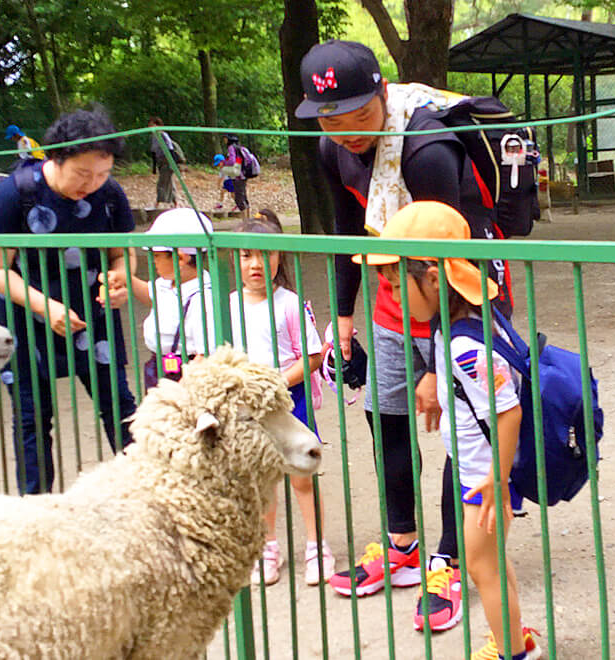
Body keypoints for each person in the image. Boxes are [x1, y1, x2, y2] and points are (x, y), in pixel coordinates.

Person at [295, 39, 515, 632]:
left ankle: (450, 557)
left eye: (358, 117)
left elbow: (445, 262)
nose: (346, 133)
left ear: (383, 95)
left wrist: (432, 364)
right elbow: (348, 230)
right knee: (386, 417)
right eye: (331, 122)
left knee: (459, 429)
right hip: (393, 294)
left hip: (461, 302)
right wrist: (343, 314)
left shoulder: (426, 151)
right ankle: (404, 547)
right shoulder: (331, 147)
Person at [360, 201, 541, 660]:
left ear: (435, 279)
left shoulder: (463, 343)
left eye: (397, 285)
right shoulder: (453, 326)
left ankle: (513, 654)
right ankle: (516, 640)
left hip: (485, 475)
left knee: (482, 566)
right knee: (493, 563)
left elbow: (509, 410)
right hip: (479, 470)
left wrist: (497, 481)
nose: (394, 298)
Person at [0, 109, 138, 495]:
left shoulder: (110, 194)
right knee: (32, 418)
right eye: (83, 174)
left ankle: (148, 498)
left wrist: (119, 279)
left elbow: (122, 254)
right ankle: (36, 512)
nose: (93, 184)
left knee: (120, 406)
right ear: (56, 158)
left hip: (91, 314)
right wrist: (42, 306)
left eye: (102, 174)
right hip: (25, 317)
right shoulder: (15, 192)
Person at [231, 210, 335, 587]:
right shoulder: (227, 306)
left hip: (290, 403)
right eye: (246, 255)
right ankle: (267, 547)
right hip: (248, 411)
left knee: (301, 477)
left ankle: (317, 547)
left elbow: (312, 356)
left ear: (279, 257)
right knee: (262, 480)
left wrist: (274, 383)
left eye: (265, 254)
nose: (256, 264)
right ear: (235, 259)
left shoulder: (289, 303)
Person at [114, 208, 216, 391]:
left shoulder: (202, 298)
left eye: (157, 256)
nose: (153, 261)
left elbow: (205, 353)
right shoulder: (167, 284)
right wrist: (126, 279)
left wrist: (180, 389)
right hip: (160, 365)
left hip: (187, 371)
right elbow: (151, 295)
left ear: (180, 258)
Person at [148, 117, 186, 209]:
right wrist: (154, 167)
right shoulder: (153, 137)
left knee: (162, 182)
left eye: (152, 125)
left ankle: (158, 203)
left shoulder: (163, 135)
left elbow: (170, 148)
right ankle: (175, 202)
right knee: (169, 182)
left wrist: (172, 163)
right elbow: (153, 152)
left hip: (167, 161)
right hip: (160, 162)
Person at [221, 134, 250, 214]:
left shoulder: (231, 148)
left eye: (225, 138)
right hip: (244, 174)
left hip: (237, 176)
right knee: (244, 197)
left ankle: (245, 221)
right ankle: (247, 219)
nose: (224, 140)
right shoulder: (240, 148)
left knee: (239, 199)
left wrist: (224, 162)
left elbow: (232, 161)